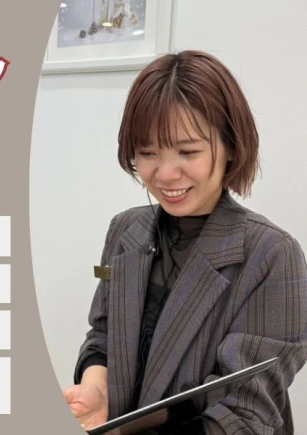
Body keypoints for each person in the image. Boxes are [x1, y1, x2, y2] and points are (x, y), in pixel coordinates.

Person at [62, 50, 307, 435]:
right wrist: (97, 390)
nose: (164, 174)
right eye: (147, 153)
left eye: (188, 152)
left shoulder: (271, 254)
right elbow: (103, 337)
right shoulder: (125, 230)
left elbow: (246, 411)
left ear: (230, 145)